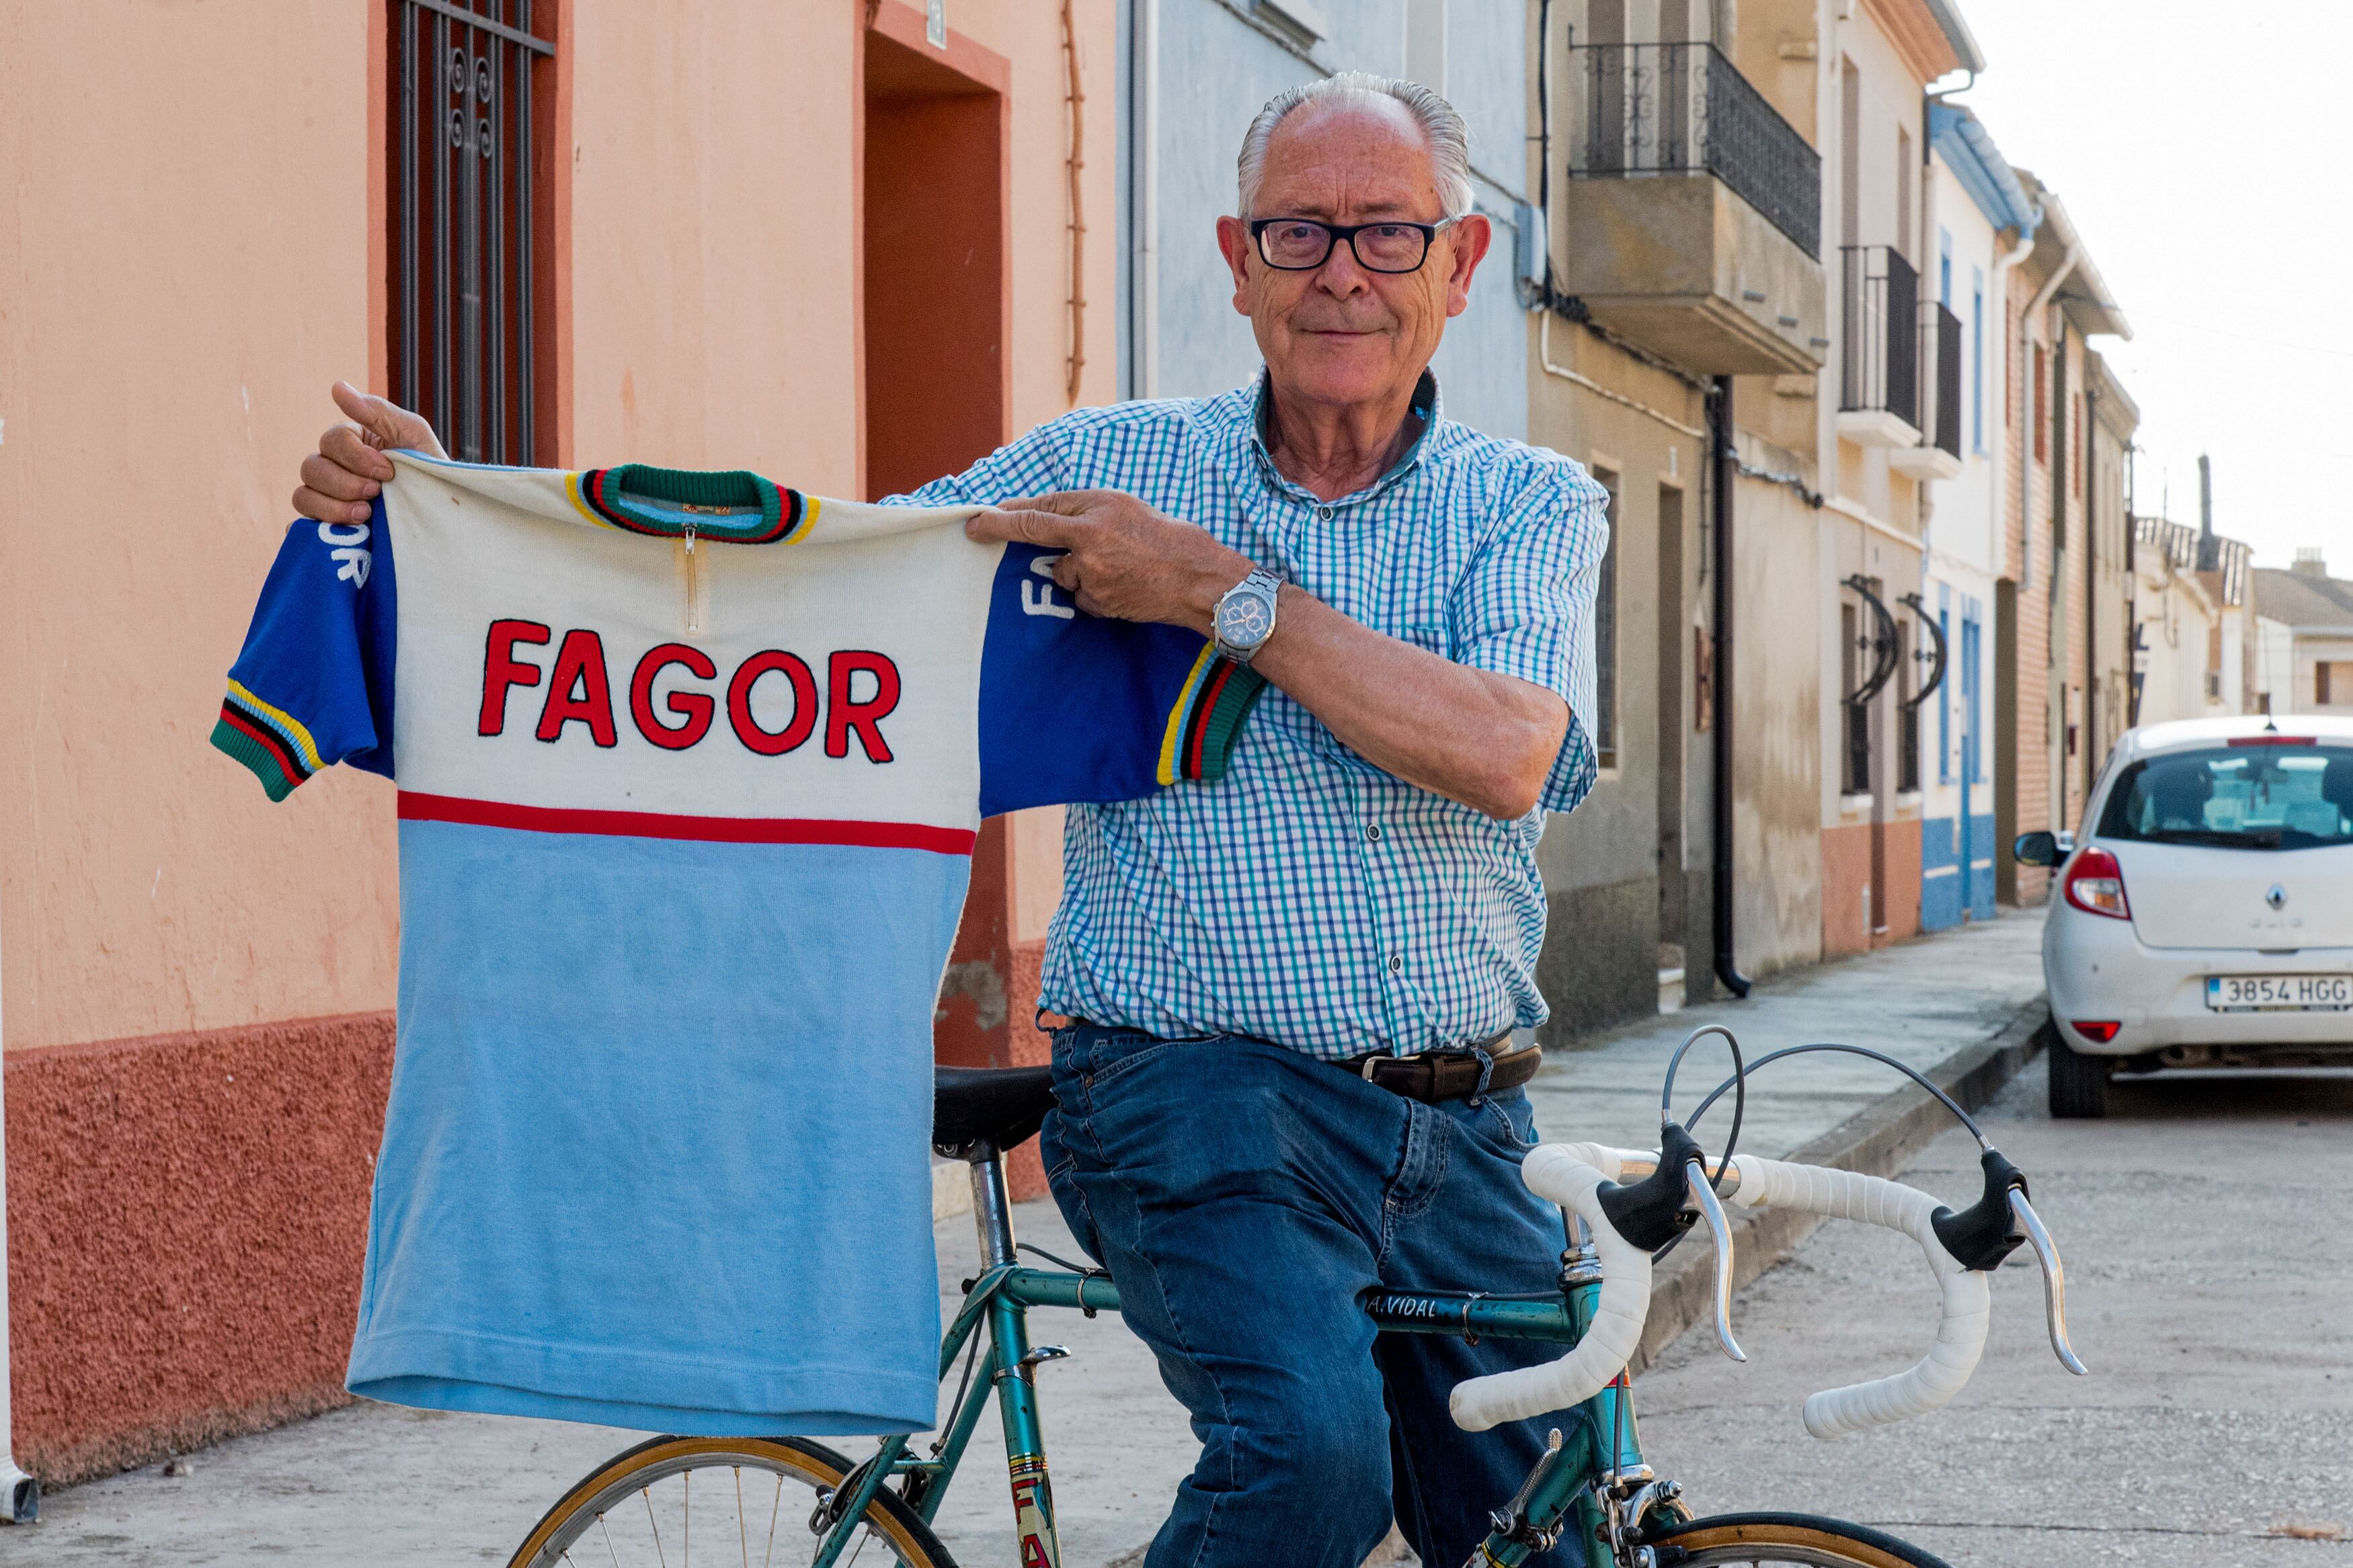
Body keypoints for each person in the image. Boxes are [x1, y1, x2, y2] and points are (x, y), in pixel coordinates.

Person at [292, 72, 1608, 1568]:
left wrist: (1218, 598)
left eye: (1385, 233)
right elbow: (809, 596)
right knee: (1308, 1465)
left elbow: (1507, 752)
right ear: (1237, 263)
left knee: (1544, 1535)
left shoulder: (1530, 504)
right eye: (1299, 233)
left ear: (1460, 262)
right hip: (1197, 1096)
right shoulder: (1108, 471)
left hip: (1472, 1123)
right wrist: (465, 509)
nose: (1343, 274)